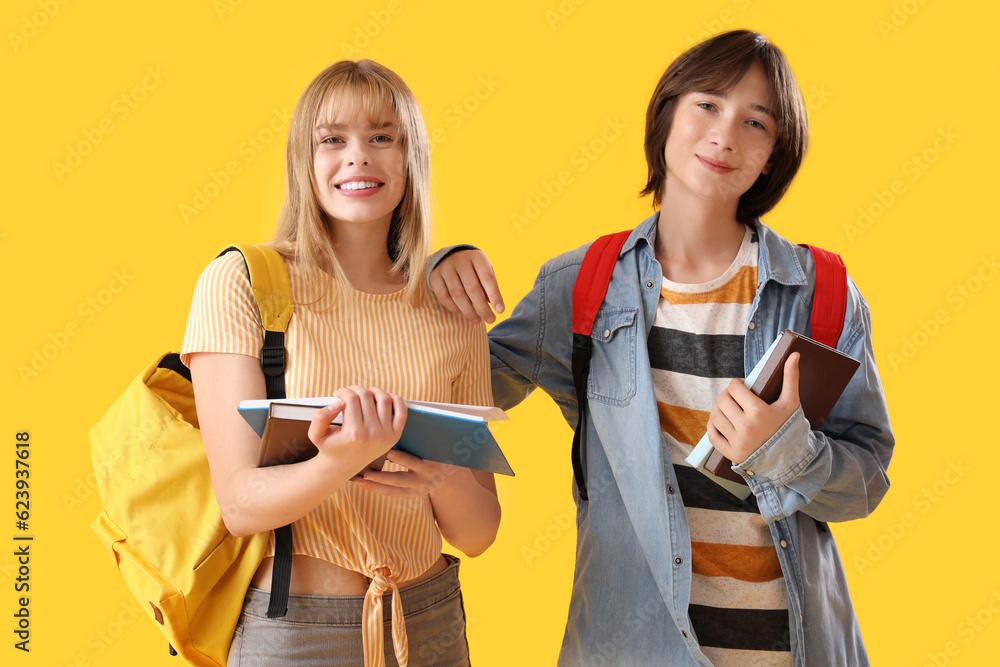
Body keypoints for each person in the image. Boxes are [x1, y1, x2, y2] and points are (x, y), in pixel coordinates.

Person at [431, 30, 893, 666]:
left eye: (755, 121)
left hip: (795, 651)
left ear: (773, 154)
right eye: (708, 104)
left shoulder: (823, 293)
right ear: (668, 110)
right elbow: (444, 394)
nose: (725, 135)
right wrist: (433, 271)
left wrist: (788, 453)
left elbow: (867, 483)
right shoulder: (581, 286)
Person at [181, 59, 501, 667]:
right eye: (333, 139)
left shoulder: (450, 302)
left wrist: (445, 475)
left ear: (412, 158)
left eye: (383, 137)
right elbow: (242, 505)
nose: (359, 157)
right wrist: (342, 458)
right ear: (305, 160)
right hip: (298, 631)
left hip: (429, 619)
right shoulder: (243, 282)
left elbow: (479, 533)